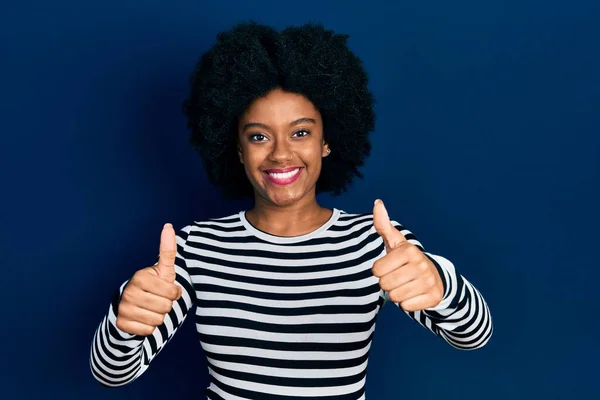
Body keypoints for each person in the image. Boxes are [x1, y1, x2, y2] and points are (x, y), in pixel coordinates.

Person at [89, 21, 493, 399]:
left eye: (301, 132)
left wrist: (441, 287)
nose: (281, 154)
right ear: (237, 150)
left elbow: (474, 336)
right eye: (259, 136)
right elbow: (111, 373)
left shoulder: (375, 243)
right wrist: (125, 321)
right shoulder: (194, 248)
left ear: (326, 142)